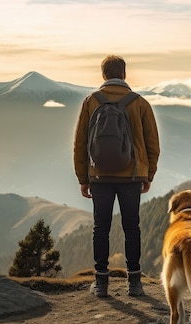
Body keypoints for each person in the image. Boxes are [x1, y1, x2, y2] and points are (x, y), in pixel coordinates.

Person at [73, 55, 160, 297]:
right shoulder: (140, 103)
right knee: (132, 227)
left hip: (99, 176)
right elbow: (153, 144)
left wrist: (83, 177)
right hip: (131, 177)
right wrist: (148, 174)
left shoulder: (91, 102)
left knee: (101, 228)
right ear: (124, 73)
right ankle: (135, 282)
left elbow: (80, 142)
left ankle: (101, 282)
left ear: (103, 74)